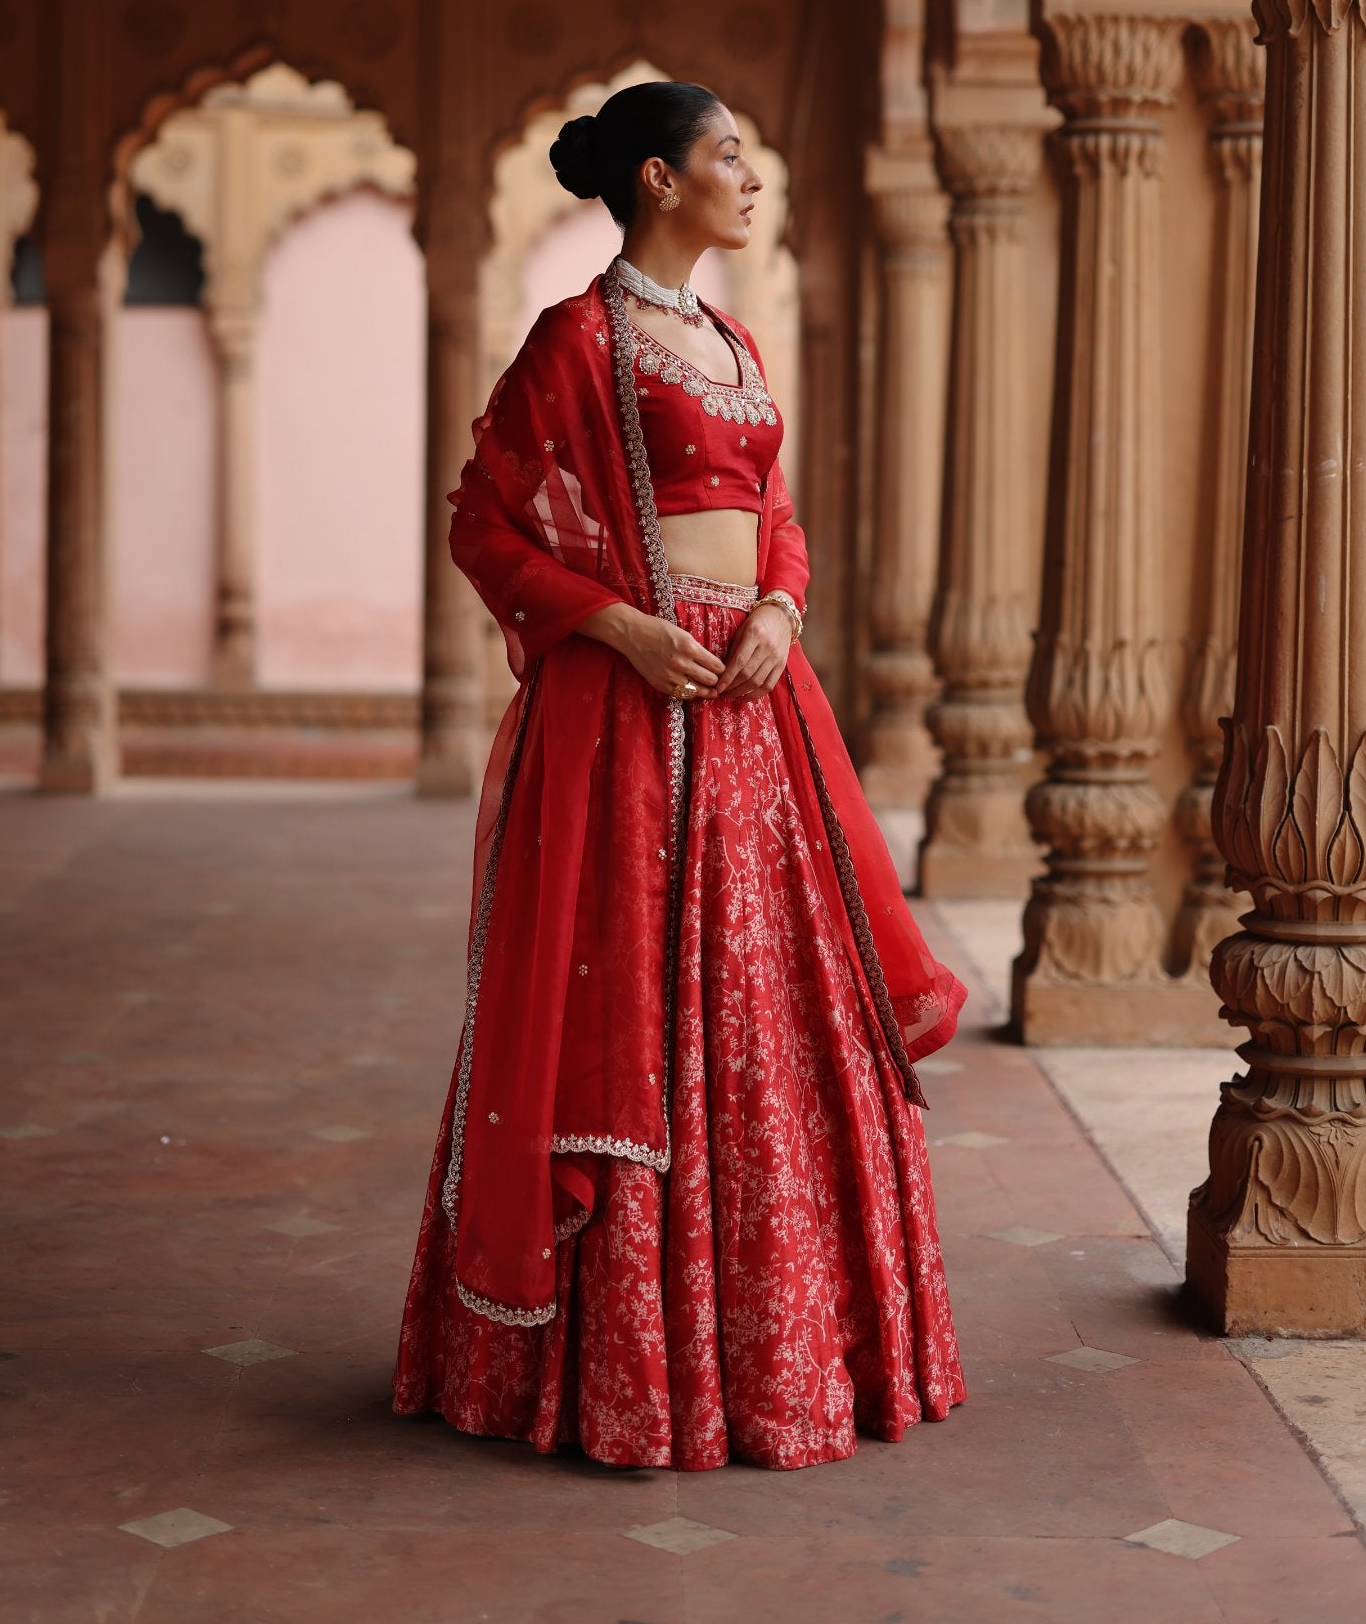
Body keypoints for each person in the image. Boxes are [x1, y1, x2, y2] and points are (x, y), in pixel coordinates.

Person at [393, 80, 966, 1471]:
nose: (750, 177)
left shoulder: (734, 341)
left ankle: (792, 1355)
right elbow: (484, 521)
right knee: (631, 1007)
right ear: (658, 180)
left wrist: (777, 611)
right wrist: (617, 622)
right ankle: (625, 1375)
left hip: (755, 711)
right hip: (627, 715)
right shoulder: (576, 342)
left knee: (770, 1004)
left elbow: (777, 518)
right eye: (729, 156)